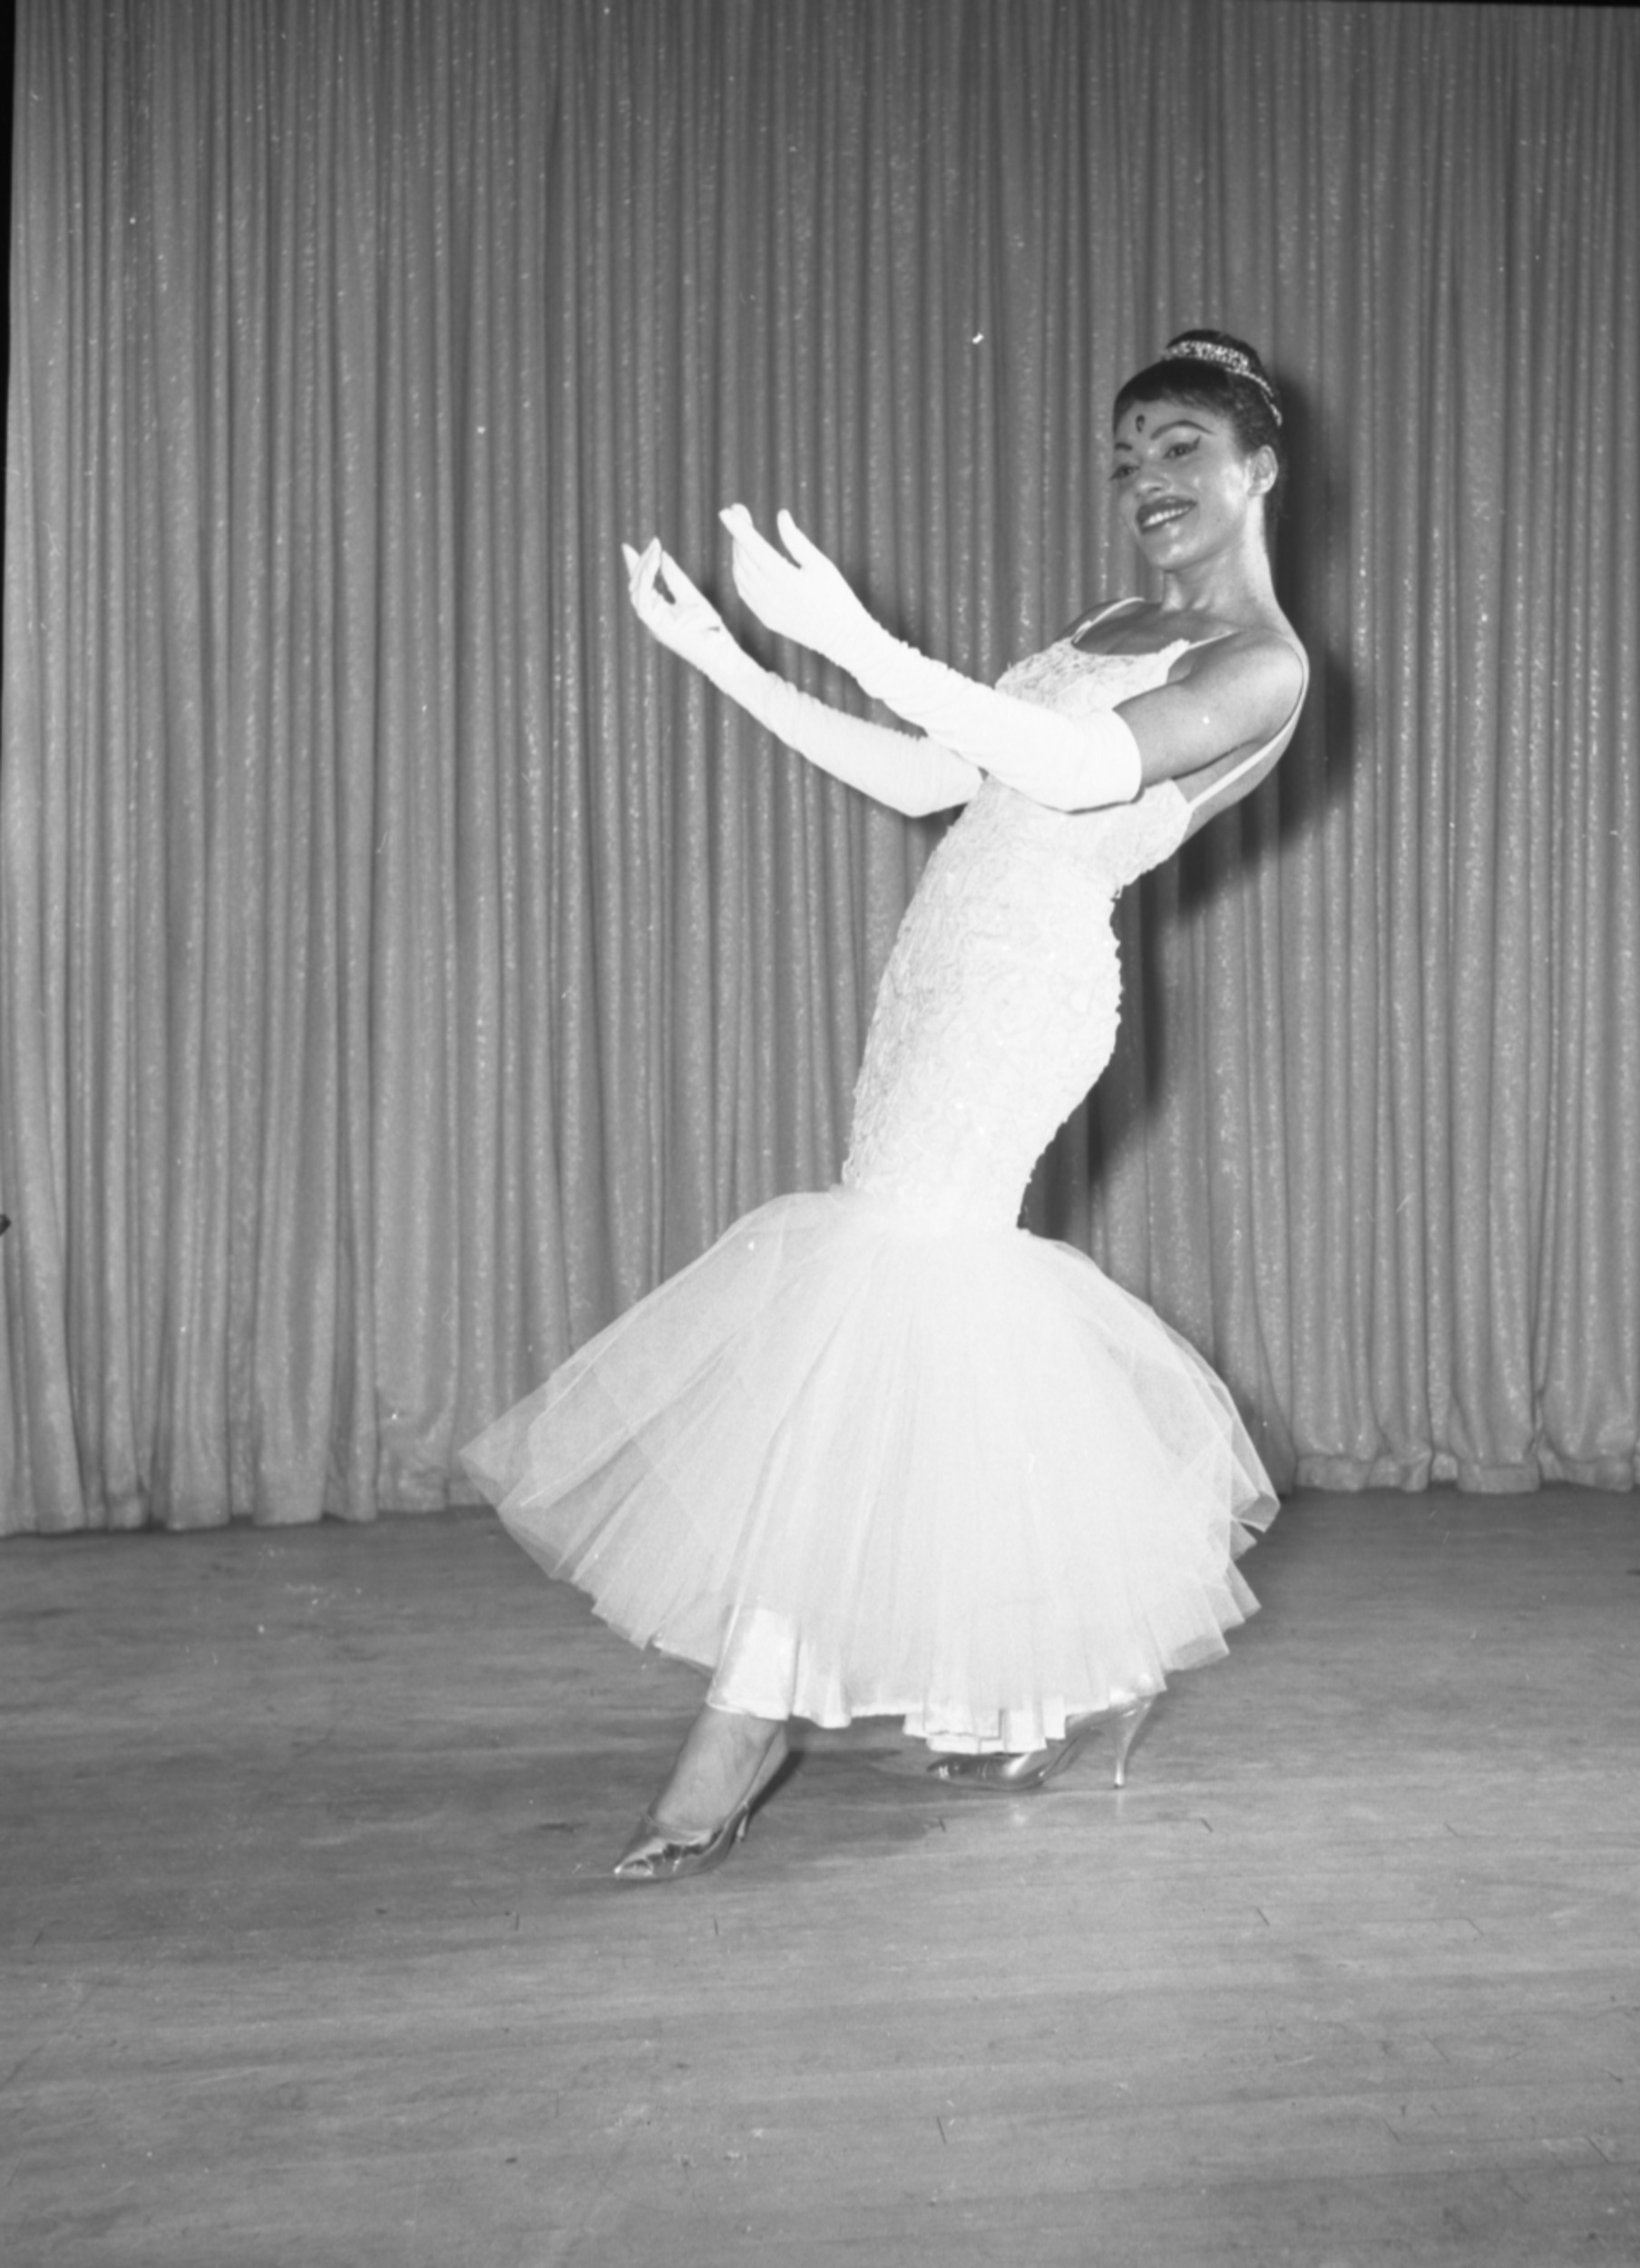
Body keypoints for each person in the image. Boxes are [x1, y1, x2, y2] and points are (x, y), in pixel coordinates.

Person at [463, 331, 1308, 1882]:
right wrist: (729, 656)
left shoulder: (1263, 665)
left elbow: (1059, 768)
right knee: (920, 1314)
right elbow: (934, 780)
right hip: (939, 971)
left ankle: (747, 1717)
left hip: (1026, 993)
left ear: (1260, 464)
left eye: (1179, 446)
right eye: (1127, 457)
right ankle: (1069, 1673)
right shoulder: (1107, 618)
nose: (1146, 481)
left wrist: (846, 624)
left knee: (892, 1297)